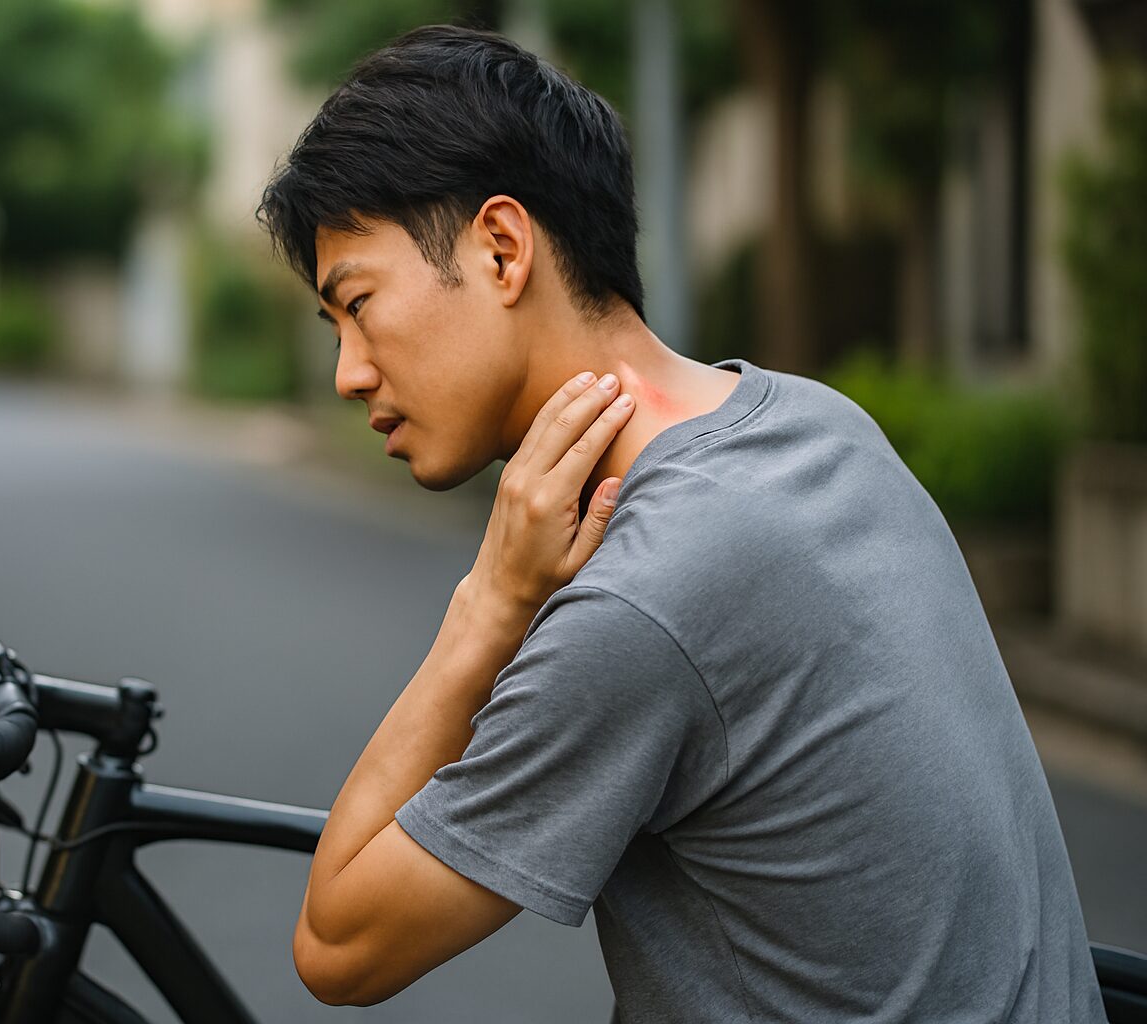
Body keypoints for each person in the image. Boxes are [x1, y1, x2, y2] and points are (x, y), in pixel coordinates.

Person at [256, 24, 1107, 1023]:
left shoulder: (645, 597)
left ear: (501, 249)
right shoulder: (822, 423)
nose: (349, 373)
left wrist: (488, 604)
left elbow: (337, 946)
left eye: (358, 305)